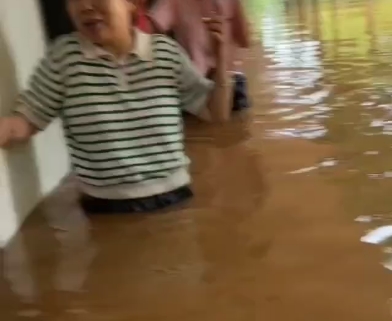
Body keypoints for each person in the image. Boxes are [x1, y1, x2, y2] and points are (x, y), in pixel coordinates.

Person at [0, 0, 232, 214]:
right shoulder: (64, 59)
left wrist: (222, 58)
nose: (85, 6)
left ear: (132, 4)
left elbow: (216, 112)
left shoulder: (165, 53)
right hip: (102, 205)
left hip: (173, 198)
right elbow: (27, 119)